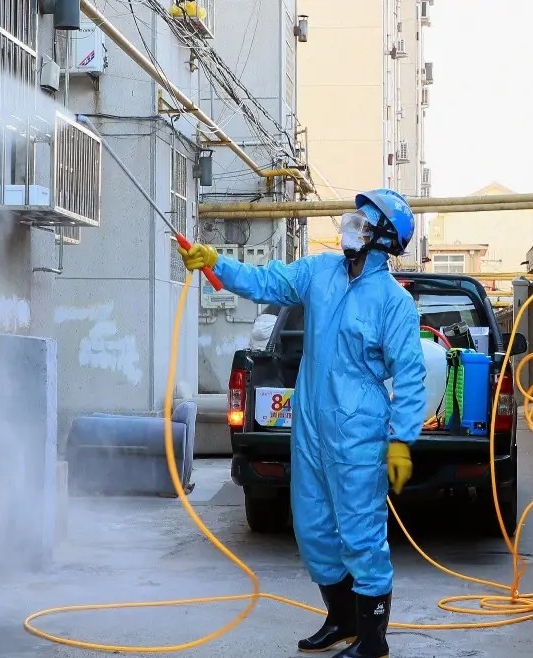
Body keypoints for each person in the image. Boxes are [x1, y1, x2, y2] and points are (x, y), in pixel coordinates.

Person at [179, 189, 427, 658]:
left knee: (361, 532)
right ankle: (342, 619)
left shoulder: (393, 302)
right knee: (312, 527)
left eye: (363, 222)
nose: (351, 226)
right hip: (311, 422)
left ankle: (372, 640)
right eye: (355, 218)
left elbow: (411, 375)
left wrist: (401, 439)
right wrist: (216, 263)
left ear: (383, 238)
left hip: (359, 429)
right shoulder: (319, 272)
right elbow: (266, 281)